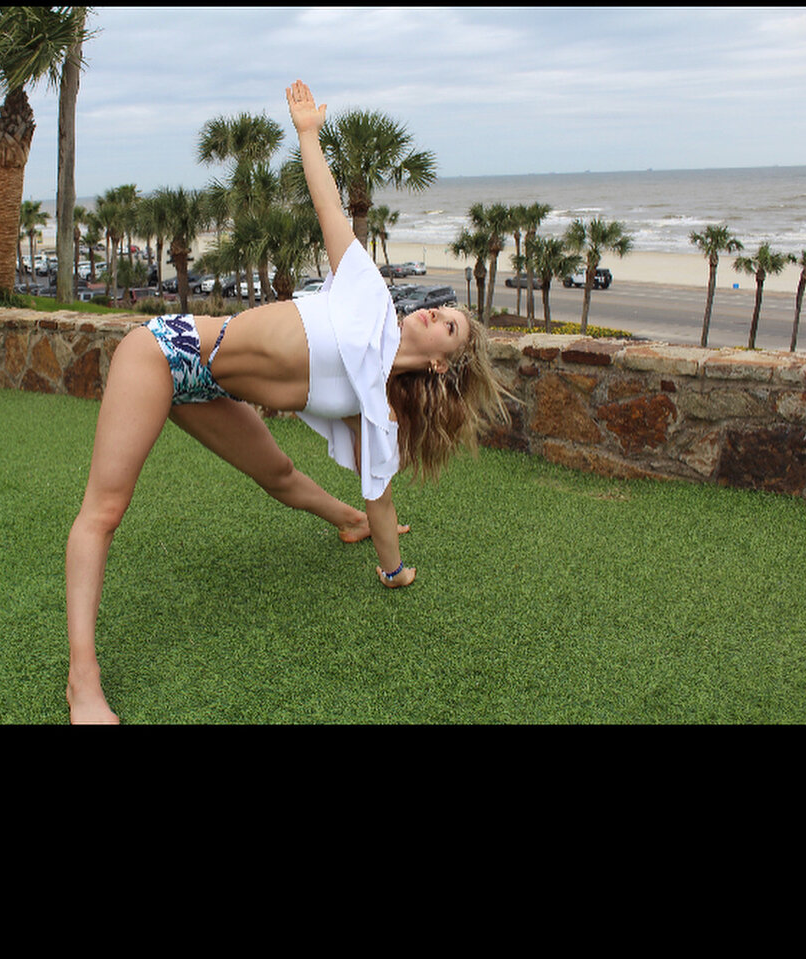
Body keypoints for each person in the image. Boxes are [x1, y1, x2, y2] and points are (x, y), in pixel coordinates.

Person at [66, 81, 509, 724]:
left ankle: (342, 522)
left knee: (277, 473)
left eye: (449, 327)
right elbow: (329, 205)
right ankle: (83, 681)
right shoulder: (367, 297)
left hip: (211, 386)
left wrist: (393, 571)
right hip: (165, 350)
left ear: (441, 363)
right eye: (443, 310)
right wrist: (307, 133)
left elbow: (380, 493)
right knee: (105, 511)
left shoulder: (376, 407)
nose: (436, 313)